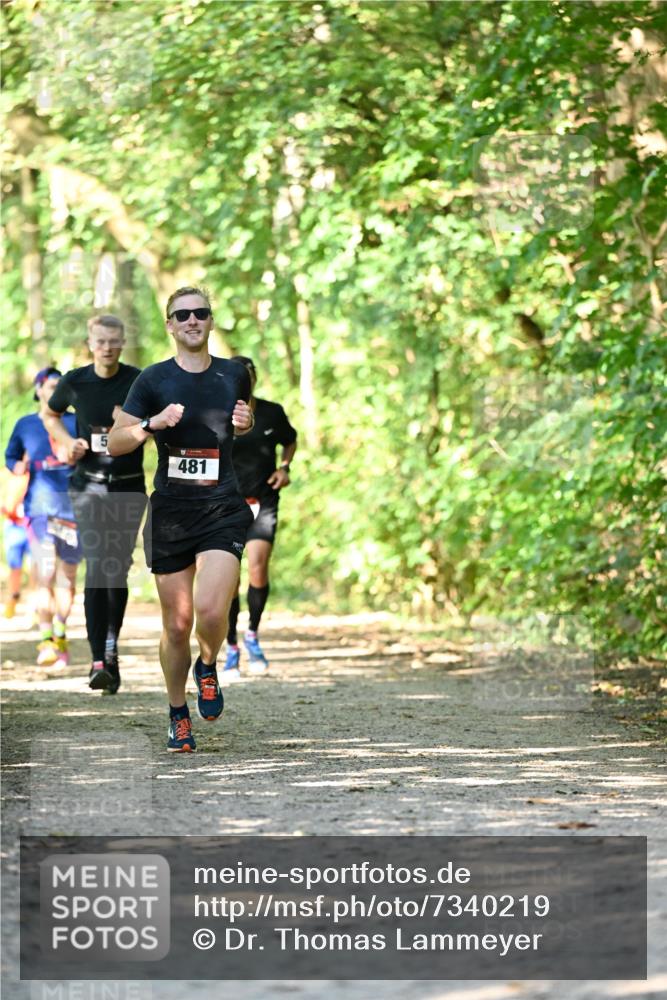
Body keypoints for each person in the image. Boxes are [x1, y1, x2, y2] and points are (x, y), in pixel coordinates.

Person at [107, 286, 254, 753]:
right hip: (171, 512)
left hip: (222, 508)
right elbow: (115, 443)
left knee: (212, 612)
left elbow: (241, 423)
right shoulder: (152, 381)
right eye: (182, 315)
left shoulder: (234, 374)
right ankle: (177, 713)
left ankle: (207, 664)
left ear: (211, 322)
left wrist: (246, 423)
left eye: (201, 313)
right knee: (176, 624)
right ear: (170, 325)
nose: (192, 320)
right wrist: (151, 425)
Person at [43, 316, 146, 694]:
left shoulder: (139, 381)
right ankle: (97, 660)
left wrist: (133, 426)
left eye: (114, 341)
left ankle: (111, 648)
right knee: (97, 564)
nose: (107, 347)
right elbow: (50, 414)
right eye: (101, 341)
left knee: (116, 569)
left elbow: (158, 426)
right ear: (90, 342)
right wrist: (66, 443)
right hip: (87, 486)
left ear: (122, 343)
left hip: (128, 486)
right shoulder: (75, 381)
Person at [223, 356, 297, 678]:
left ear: (254, 378)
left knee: (257, 566)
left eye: (247, 376)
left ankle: (251, 633)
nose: (242, 381)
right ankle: (231, 647)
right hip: (225, 504)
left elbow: (290, 440)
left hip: (263, 500)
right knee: (228, 579)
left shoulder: (271, 412)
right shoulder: (216, 413)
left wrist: (284, 468)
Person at [4, 368, 82, 665]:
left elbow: (98, 455)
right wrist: (18, 468)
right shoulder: (25, 424)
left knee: (68, 579)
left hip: (73, 510)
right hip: (39, 509)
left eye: (60, 386)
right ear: (39, 390)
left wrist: (78, 454)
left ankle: (60, 632)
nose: (55, 391)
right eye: (50, 386)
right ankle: (46, 640)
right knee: (45, 574)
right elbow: (11, 456)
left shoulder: (77, 422)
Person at [1, 465, 31, 619]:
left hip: (34, 526)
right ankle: (13, 598)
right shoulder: (7, 474)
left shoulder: (37, 471)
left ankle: (35, 608)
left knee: (36, 568)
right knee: (14, 566)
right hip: (13, 525)